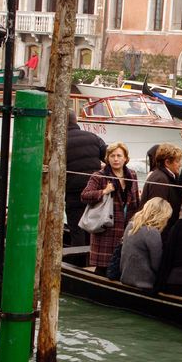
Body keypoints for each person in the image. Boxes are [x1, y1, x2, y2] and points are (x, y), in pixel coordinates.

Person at [81, 141, 140, 276]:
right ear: (107, 158)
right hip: (105, 230)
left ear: (125, 158)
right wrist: (103, 192)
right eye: (112, 156)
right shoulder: (99, 176)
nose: (116, 159)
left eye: (119, 156)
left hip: (125, 228)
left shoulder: (132, 175)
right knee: (102, 269)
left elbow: (136, 202)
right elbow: (84, 196)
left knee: (120, 265)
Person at [65, 111, 107, 247]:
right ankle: (90, 260)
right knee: (92, 226)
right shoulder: (93, 137)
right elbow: (108, 155)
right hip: (95, 189)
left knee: (77, 229)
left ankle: (78, 263)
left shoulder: (59, 140)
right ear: (76, 120)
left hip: (73, 192)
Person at [118, 197, 172, 291]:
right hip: (144, 284)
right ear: (161, 215)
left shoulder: (131, 225)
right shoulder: (152, 232)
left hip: (125, 277)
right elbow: (157, 265)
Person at [140, 142, 182, 228]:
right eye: (177, 161)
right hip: (161, 231)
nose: (180, 164)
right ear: (167, 162)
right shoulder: (160, 180)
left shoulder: (165, 176)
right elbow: (157, 214)